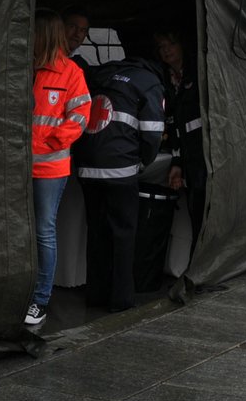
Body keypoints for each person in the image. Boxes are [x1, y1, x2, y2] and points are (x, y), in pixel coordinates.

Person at [73, 47, 167, 313]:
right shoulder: (149, 82)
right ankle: (121, 300)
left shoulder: (108, 73)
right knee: (124, 235)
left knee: (97, 232)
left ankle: (96, 294)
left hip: (87, 165)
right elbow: (152, 132)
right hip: (120, 170)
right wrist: (143, 161)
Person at [24, 9, 91, 331]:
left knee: (43, 231)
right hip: (18, 167)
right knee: (23, 230)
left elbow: (80, 117)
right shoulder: (24, 68)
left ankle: (40, 300)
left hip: (50, 169)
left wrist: (52, 141)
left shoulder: (70, 73)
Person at [156, 28, 206, 250]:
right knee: (194, 205)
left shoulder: (198, 72)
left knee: (203, 207)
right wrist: (177, 162)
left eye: (170, 45)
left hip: (203, 152)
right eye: (161, 47)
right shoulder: (165, 78)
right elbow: (173, 121)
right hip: (186, 151)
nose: (166, 51)